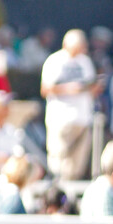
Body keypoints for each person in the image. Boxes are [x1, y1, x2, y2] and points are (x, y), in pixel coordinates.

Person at [40, 29, 99, 181]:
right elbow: (45, 89)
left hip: (82, 118)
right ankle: (57, 188)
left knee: (77, 162)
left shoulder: (85, 61)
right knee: (58, 158)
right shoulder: (55, 60)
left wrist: (92, 88)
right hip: (60, 118)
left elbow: (91, 85)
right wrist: (68, 89)